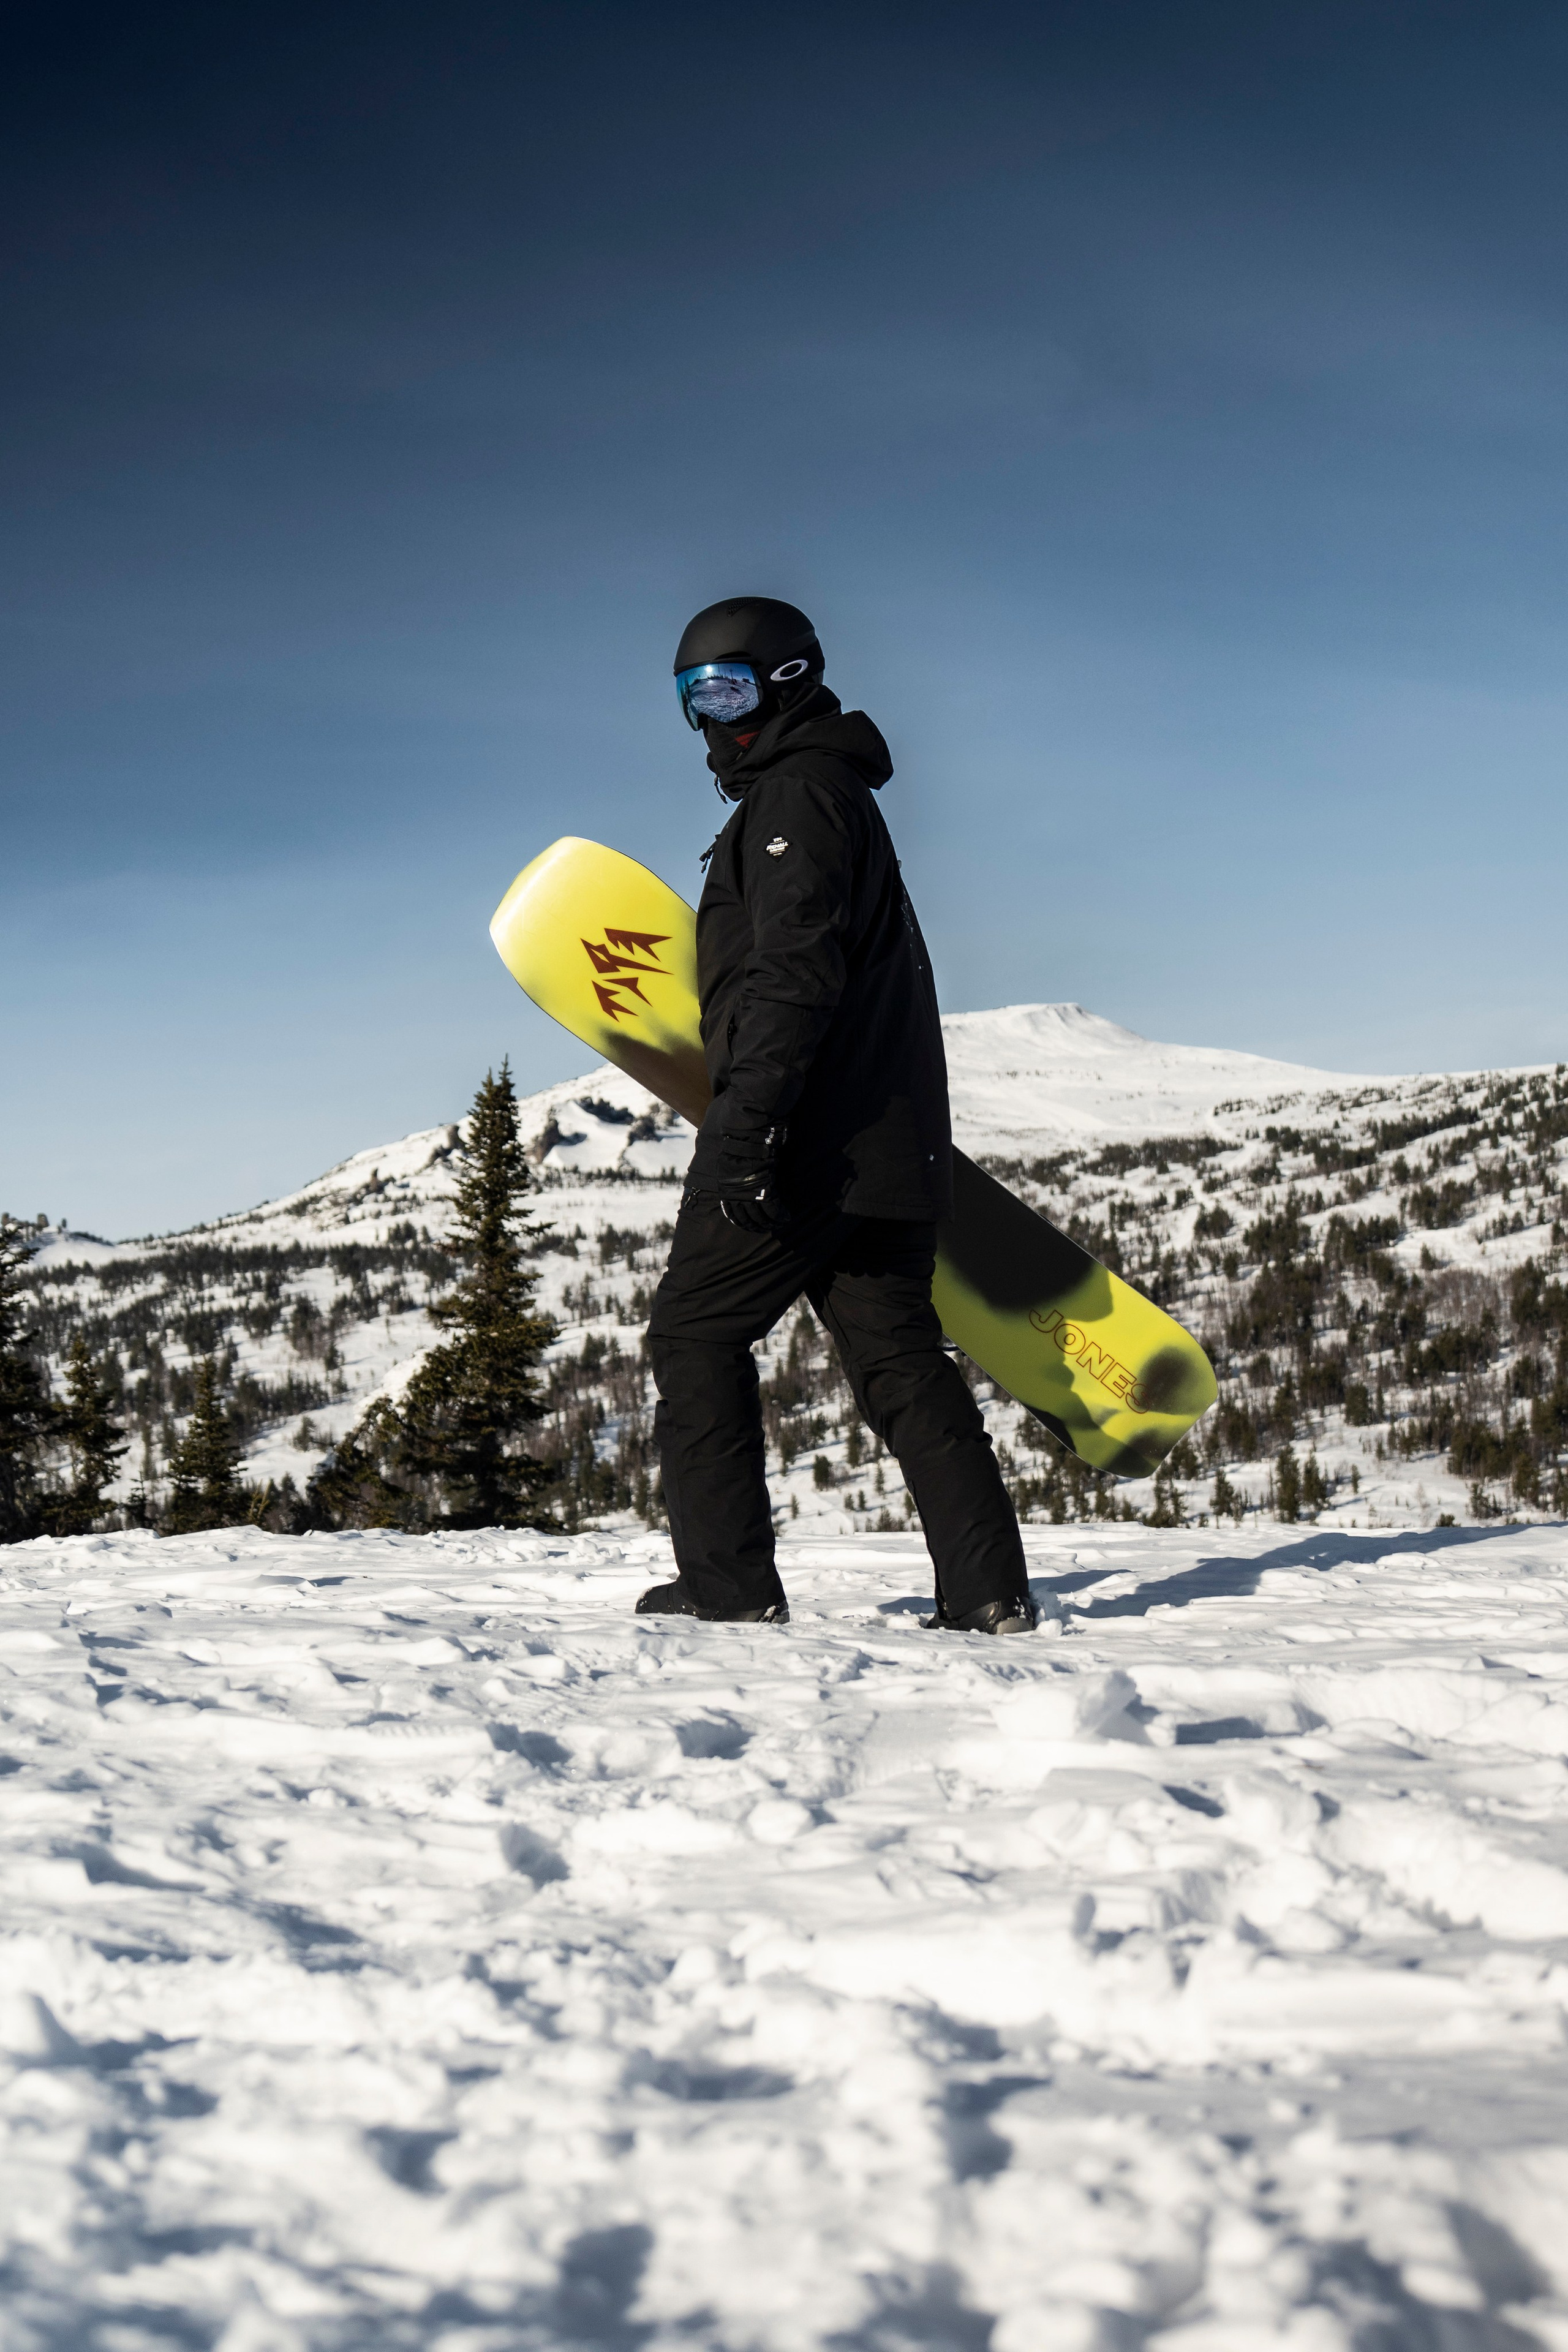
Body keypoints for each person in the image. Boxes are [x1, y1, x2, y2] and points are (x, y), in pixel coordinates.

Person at [638, 596, 1038, 1635]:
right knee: (899, 1356)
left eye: (724, 690)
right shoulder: (836, 797)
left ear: (787, 680)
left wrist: (746, 1130)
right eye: (690, 699)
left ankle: (727, 1587)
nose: (709, 721)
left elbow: (790, 979)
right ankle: (987, 1588)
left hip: (810, 1141)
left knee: (692, 1336)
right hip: (888, 1147)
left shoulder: (796, 802)